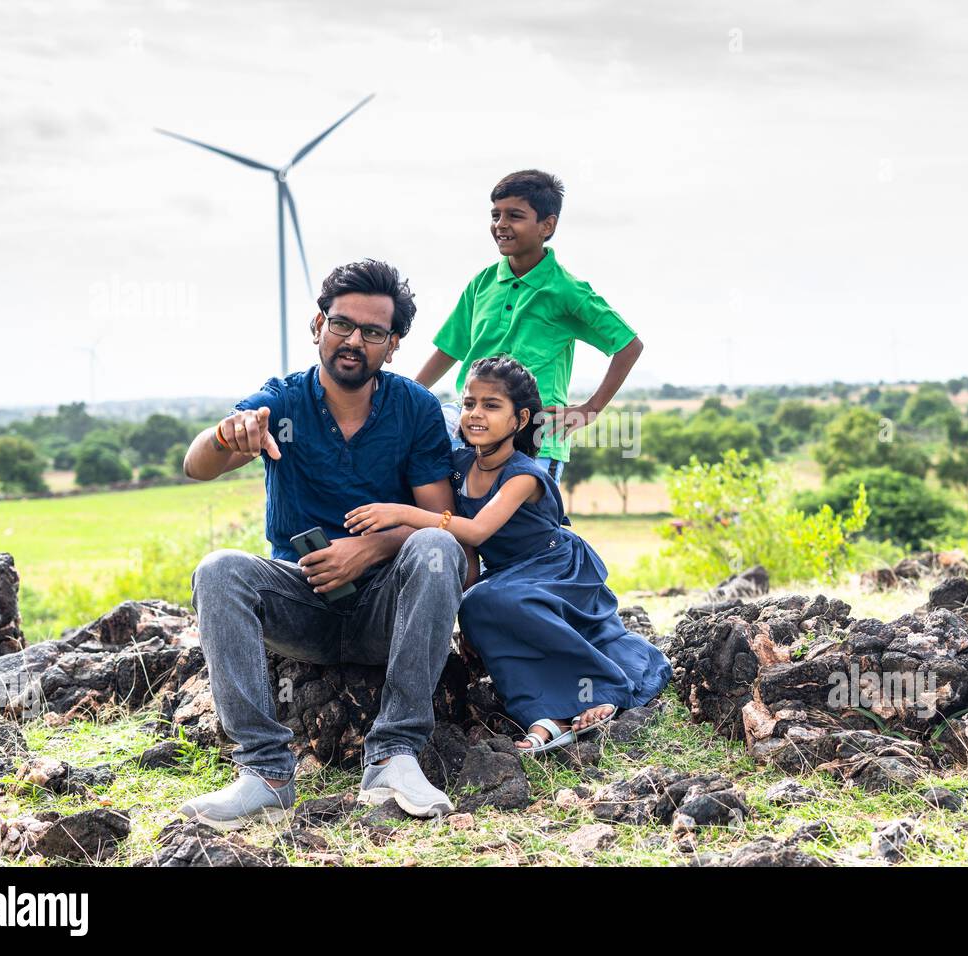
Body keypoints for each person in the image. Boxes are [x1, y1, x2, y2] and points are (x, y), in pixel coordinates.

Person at [178, 259, 476, 828]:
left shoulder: (412, 407)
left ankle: (394, 756)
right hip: (305, 602)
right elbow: (197, 465)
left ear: (392, 346)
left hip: (388, 607)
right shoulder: (282, 402)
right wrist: (224, 434)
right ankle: (264, 772)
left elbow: (442, 522)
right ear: (318, 325)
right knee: (219, 569)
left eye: (373, 332)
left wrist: (369, 549)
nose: (353, 340)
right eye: (342, 324)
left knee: (437, 549)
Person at [346, 356, 671, 752]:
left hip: (555, 569)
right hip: (506, 575)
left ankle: (598, 689)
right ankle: (544, 713)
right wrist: (464, 616)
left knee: (494, 598)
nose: (475, 414)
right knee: (480, 604)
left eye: (491, 405)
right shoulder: (459, 466)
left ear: (520, 420)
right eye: (469, 404)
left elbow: (479, 530)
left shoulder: (523, 474)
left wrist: (403, 514)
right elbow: (466, 548)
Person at [414, 169, 644, 483]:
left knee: (524, 527)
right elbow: (449, 349)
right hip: (474, 426)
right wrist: (408, 397)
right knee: (427, 444)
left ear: (547, 225)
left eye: (515, 215)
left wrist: (591, 408)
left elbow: (629, 345)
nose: (500, 225)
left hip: (537, 435)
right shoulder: (482, 283)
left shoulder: (566, 290)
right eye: (495, 214)